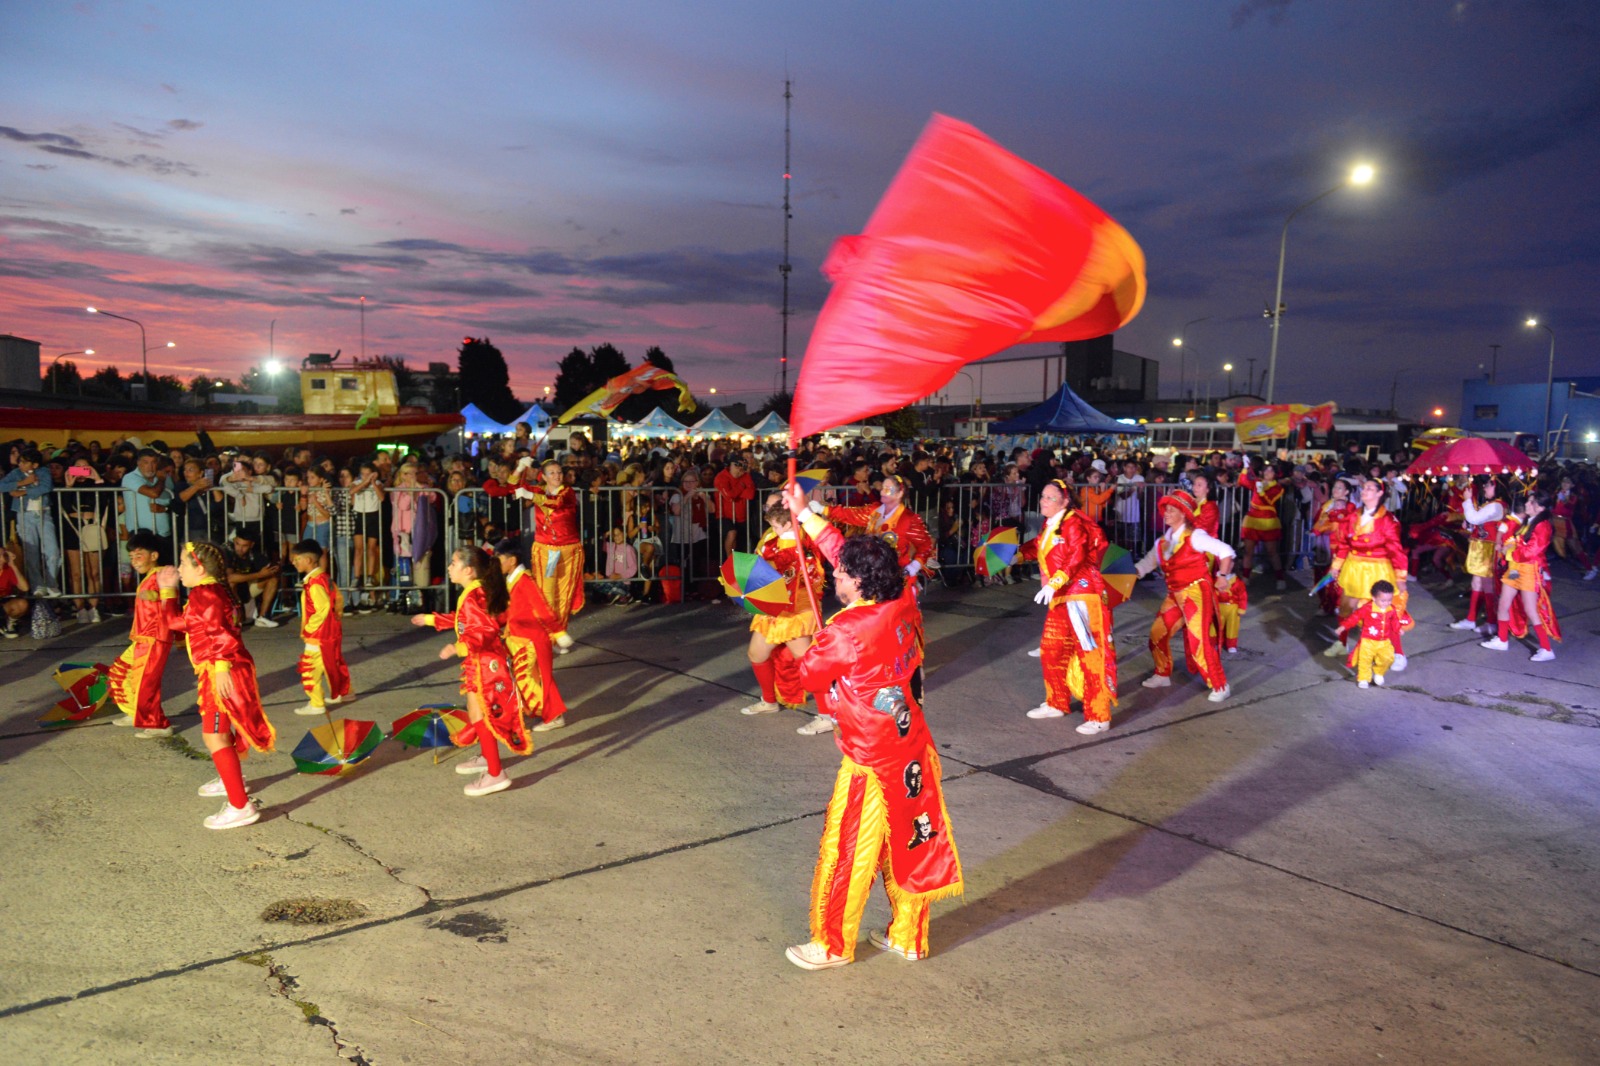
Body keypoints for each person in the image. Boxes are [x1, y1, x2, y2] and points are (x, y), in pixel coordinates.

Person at [781, 481, 963, 970]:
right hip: (912, 745)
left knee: (847, 850)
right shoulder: (900, 595)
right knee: (911, 840)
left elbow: (808, 674)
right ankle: (908, 935)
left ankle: (833, 943)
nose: (832, 574)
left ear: (856, 583)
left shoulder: (845, 630)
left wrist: (810, 642)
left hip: (871, 759)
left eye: (838, 574)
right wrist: (806, 514)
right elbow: (844, 548)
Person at [159, 541, 275, 830]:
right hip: (220, 669)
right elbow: (178, 623)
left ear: (199, 567)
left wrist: (221, 668)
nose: (180, 570)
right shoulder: (214, 590)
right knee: (219, 732)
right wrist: (168, 590)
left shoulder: (204, 593)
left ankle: (240, 806)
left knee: (213, 736)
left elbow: (220, 633)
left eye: (184, 564)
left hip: (219, 671)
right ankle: (231, 781)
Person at [412, 547, 528, 796]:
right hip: (481, 661)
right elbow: (462, 621)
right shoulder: (472, 593)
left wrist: (458, 646)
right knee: (478, 714)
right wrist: (431, 619)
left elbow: (484, 630)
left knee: (480, 715)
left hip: (484, 663)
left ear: (468, 570)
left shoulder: (474, 595)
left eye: (453, 563)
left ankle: (495, 774)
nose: (449, 567)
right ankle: (488, 758)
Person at [1018, 480, 1117, 733]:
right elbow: (1040, 546)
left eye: (1051, 497)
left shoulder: (1073, 523)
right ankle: (1056, 702)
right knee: (1051, 650)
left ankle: (1099, 715)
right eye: (1043, 496)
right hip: (1062, 595)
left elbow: (1077, 554)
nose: (1044, 501)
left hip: (1083, 594)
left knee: (1090, 655)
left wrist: (1055, 582)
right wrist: (1017, 554)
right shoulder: (1052, 524)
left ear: (1065, 501)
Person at [1134, 489, 1236, 702]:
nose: (1167, 514)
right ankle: (1162, 674)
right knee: (1157, 634)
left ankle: (1219, 684)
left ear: (1184, 513)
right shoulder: (1162, 541)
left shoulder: (1196, 536)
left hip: (1196, 592)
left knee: (1199, 640)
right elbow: (1147, 563)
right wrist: (1128, 574)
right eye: (1166, 510)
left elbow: (1226, 551)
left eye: (1172, 510)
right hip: (1175, 594)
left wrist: (1222, 574)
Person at [738, 500, 823, 718]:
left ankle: (828, 712)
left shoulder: (807, 545)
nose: (772, 530)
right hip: (773, 608)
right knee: (756, 654)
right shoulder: (771, 544)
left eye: (776, 526)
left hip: (795, 610)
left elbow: (813, 577)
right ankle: (768, 700)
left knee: (808, 663)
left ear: (788, 524)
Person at [494, 537, 570, 733]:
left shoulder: (525, 581)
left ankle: (552, 714)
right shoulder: (513, 581)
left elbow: (542, 608)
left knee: (525, 677)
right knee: (540, 679)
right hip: (519, 638)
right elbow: (510, 612)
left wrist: (558, 631)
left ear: (512, 561)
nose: (497, 563)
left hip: (530, 640)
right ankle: (549, 713)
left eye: (499, 559)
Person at [107, 531, 179, 736]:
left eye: (139, 556)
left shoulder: (162, 574)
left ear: (153, 556)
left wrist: (156, 594)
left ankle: (158, 724)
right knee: (120, 671)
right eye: (131, 557)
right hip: (143, 637)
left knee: (145, 682)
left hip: (155, 637)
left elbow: (171, 599)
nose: (134, 561)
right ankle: (135, 712)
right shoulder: (151, 576)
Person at [1326, 479, 1408, 658]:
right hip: (1354, 568)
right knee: (1346, 607)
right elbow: (1344, 544)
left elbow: (1396, 549)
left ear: (1380, 493)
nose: (1364, 491)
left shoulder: (1388, 520)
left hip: (1377, 570)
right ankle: (1342, 643)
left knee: (1379, 612)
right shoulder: (1353, 516)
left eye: (1370, 488)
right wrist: (1336, 566)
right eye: (1364, 488)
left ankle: (1392, 652)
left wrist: (1401, 577)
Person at [1481, 489, 1561, 662]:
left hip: (1528, 570)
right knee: (1503, 602)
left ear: (1539, 507)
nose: (1526, 504)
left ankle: (1547, 649)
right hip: (1516, 569)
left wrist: (1512, 549)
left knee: (1531, 609)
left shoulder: (1543, 525)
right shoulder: (1529, 521)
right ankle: (1502, 639)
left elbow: (1531, 551)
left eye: (1530, 502)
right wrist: (1511, 546)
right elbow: (1518, 543)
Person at [816, 474, 933, 578]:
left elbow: (926, 545)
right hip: (872, 572)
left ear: (899, 494)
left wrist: (914, 566)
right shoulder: (874, 510)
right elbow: (851, 514)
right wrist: (824, 509)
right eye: (882, 488)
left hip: (896, 576)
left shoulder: (909, 519)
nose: (882, 492)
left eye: (888, 490)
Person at [525, 459, 584, 652]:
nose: (557, 476)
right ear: (543, 476)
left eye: (559, 472)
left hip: (569, 550)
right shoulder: (538, 491)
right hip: (547, 551)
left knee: (564, 594)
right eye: (552, 473)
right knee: (547, 593)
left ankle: (558, 635)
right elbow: (509, 485)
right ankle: (547, 637)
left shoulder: (568, 492)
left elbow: (556, 503)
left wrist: (528, 494)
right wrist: (520, 466)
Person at [290, 539, 352, 716]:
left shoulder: (314, 582)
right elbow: (337, 601)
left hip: (318, 634)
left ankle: (316, 703)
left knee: (309, 668)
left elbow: (323, 607)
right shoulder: (323, 577)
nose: (294, 563)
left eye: (297, 560)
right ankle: (345, 692)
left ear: (308, 560)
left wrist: (310, 627)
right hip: (330, 630)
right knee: (332, 662)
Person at [0, 449, 62, 597]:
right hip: (24, 515)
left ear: (34, 464)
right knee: (31, 553)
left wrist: (23, 491)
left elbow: (46, 487)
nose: (20, 464)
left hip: (44, 513)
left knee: (53, 551)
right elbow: (1, 485)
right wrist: (22, 482)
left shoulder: (44, 472)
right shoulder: (16, 473)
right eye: (20, 461)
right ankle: (37, 584)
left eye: (24, 462)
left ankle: (51, 583)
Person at [1451, 477, 1507, 635]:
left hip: (1487, 549)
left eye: (1488, 486)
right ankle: (1471, 619)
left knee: (1487, 586)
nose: (1484, 488)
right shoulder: (1491, 505)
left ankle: (1491, 622)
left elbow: (1474, 517)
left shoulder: (1496, 505)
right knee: (1477, 584)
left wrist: (1468, 501)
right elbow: (1476, 522)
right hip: (1481, 547)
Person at [1337, 579, 1413, 688]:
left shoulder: (1391, 609)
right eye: (1383, 600)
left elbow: (1394, 620)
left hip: (1384, 641)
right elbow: (1355, 617)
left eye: (1389, 600)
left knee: (1388, 658)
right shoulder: (1367, 608)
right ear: (1374, 598)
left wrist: (1397, 629)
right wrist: (1344, 626)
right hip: (1368, 641)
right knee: (1365, 660)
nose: (1386, 603)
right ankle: (1363, 678)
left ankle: (1379, 672)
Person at [1237, 456, 1287, 590]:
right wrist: (1245, 467)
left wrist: (1261, 490)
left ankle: (1280, 578)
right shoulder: (1257, 482)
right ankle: (1246, 578)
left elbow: (1269, 501)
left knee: (1272, 552)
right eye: (1266, 470)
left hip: (1268, 522)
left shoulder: (1278, 487)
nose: (1268, 472)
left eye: (1271, 470)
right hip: (1252, 520)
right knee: (1248, 551)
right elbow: (1243, 481)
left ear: (1275, 474)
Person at [1311, 477, 1355, 616]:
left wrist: (1331, 518)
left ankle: (1336, 604)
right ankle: (1324, 603)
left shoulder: (1350, 507)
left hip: (1339, 548)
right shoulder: (1327, 505)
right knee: (1322, 574)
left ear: (1347, 492)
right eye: (1335, 487)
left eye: (1340, 488)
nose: (1335, 490)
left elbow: (1345, 523)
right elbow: (1317, 525)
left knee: (1335, 577)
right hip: (1324, 545)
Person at [224, 527, 280, 627]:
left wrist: (274, 568)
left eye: (244, 546)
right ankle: (235, 613)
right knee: (232, 583)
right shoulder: (227, 552)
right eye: (237, 544)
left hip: (246, 590)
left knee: (272, 578)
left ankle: (262, 617)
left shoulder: (254, 554)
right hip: (228, 593)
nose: (240, 548)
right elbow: (230, 578)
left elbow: (270, 568)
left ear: (251, 545)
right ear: (234, 540)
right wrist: (259, 575)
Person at [0, 546, 29, 637]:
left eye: (3, 553)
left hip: (3, 603)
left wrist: (13, 566)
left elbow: (25, 588)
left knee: (21, 604)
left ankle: (9, 624)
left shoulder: (8, 569)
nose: (3, 556)